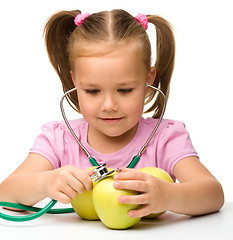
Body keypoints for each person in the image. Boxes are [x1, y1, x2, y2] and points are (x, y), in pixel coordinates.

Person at [0, 9, 224, 218]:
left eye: (125, 90)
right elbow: (5, 196)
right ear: (75, 82)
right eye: (93, 90)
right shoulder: (58, 139)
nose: (109, 105)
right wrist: (45, 183)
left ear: (148, 80)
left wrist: (170, 196)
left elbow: (213, 194)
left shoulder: (166, 138)